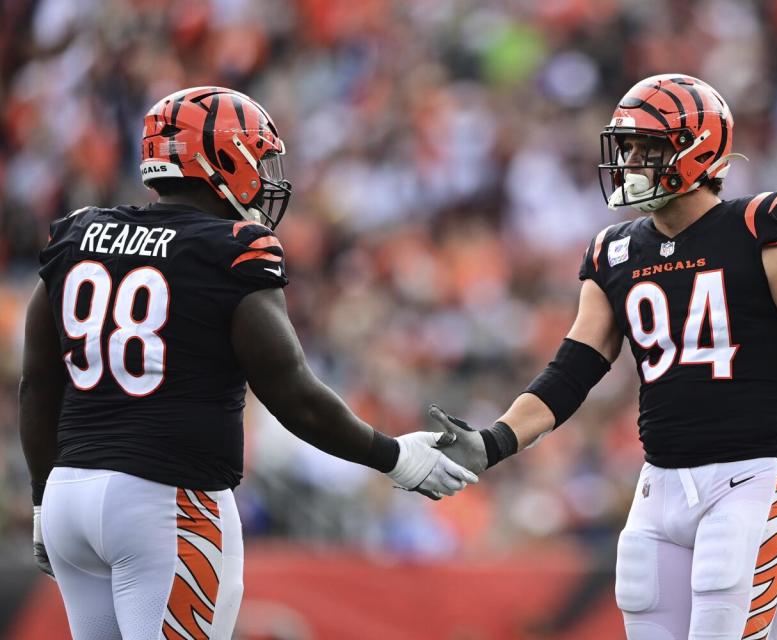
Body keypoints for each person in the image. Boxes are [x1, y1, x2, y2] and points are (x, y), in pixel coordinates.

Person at [430, 74, 777, 640]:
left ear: (697, 149)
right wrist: (494, 442)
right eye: (629, 148)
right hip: (656, 487)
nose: (633, 161)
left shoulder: (761, 227)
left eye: (649, 148)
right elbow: (572, 371)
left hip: (748, 481)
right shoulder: (616, 251)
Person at [19, 86, 477, 640]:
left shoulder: (78, 232)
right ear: (223, 157)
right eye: (258, 157)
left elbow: (39, 384)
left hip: (71, 494)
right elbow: (294, 394)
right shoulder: (231, 247)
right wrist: (395, 457)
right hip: (166, 502)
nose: (266, 175)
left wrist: (44, 499)